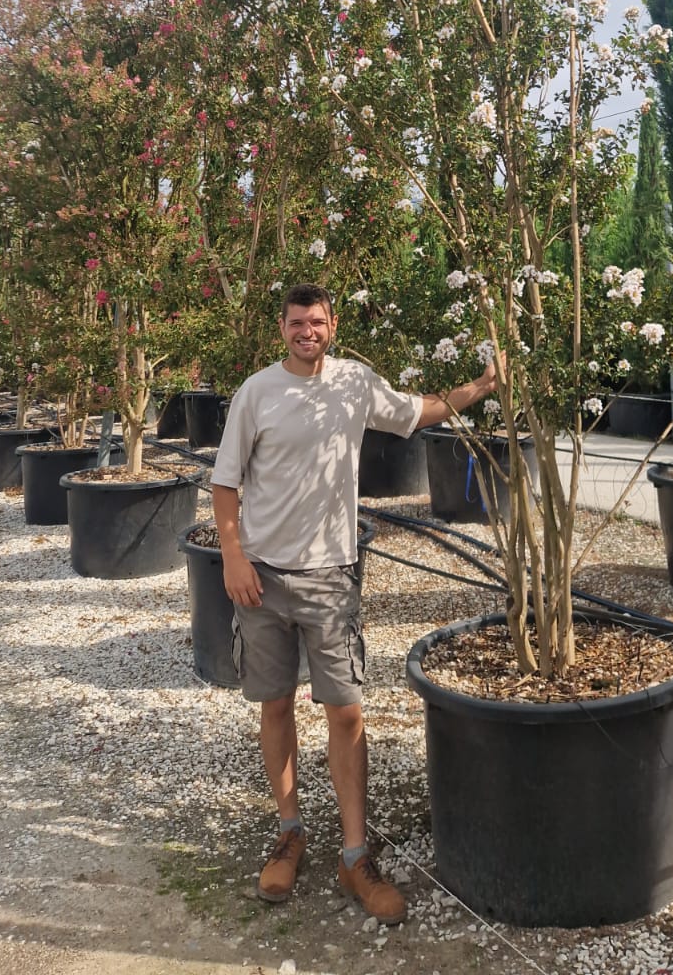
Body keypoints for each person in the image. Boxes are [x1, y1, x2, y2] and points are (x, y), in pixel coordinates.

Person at [210, 281, 498, 924]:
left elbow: (417, 412)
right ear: (280, 327)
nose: (305, 331)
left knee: (345, 712)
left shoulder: (354, 383)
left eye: (316, 321)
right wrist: (232, 557)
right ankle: (289, 832)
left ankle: (355, 854)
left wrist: (480, 387)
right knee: (275, 704)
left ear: (332, 325)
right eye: (295, 322)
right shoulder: (255, 393)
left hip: (330, 578)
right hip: (261, 577)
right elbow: (225, 483)